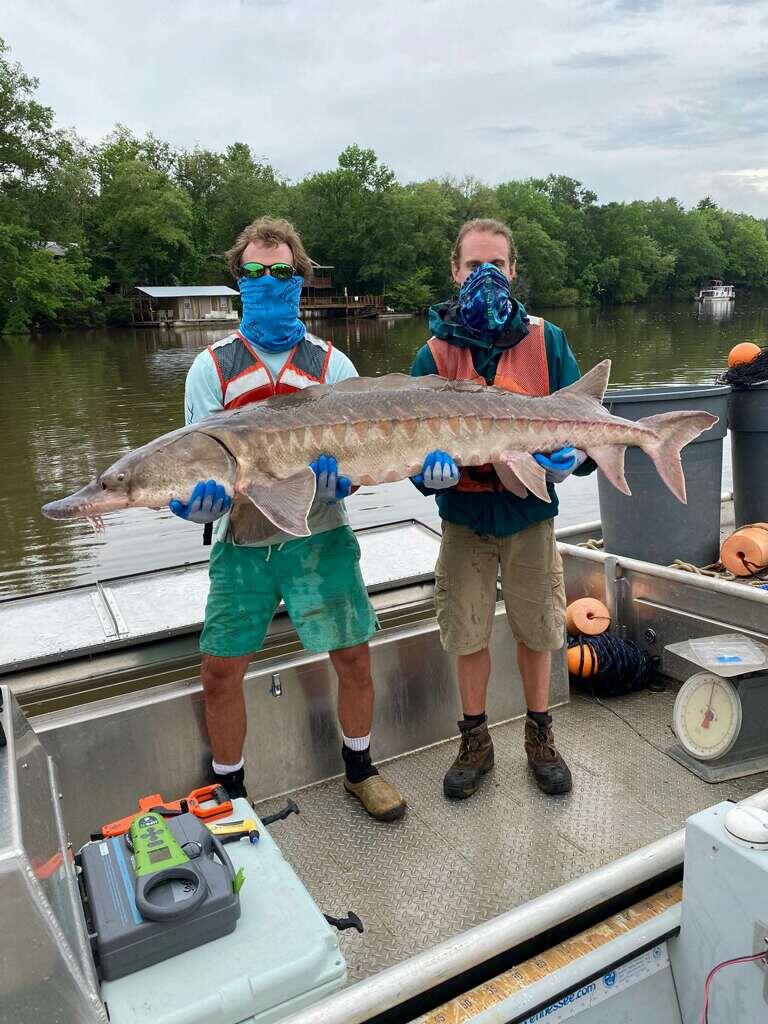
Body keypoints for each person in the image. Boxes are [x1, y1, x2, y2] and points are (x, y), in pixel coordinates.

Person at [170, 217, 406, 822]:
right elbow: (195, 459)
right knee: (220, 668)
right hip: (242, 542)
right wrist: (194, 501)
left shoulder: (333, 365)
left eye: (280, 271)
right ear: (238, 280)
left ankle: (360, 769)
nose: (267, 281)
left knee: (353, 654)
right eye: (254, 272)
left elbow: (371, 451)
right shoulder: (212, 368)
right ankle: (231, 794)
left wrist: (352, 478)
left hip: (322, 534)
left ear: (300, 279)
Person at [410, 218, 594, 799]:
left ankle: (541, 736)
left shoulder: (549, 340)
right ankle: (476, 741)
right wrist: (427, 476)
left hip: (530, 515)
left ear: (513, 272)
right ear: (454, 272)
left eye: (496, 265)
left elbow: (583, 423)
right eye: (473, 266)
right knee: (466, 634)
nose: (485, 276)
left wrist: (573, 461)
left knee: (540, 630)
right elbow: (406, 450)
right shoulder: (433, 352)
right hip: (464, 519)